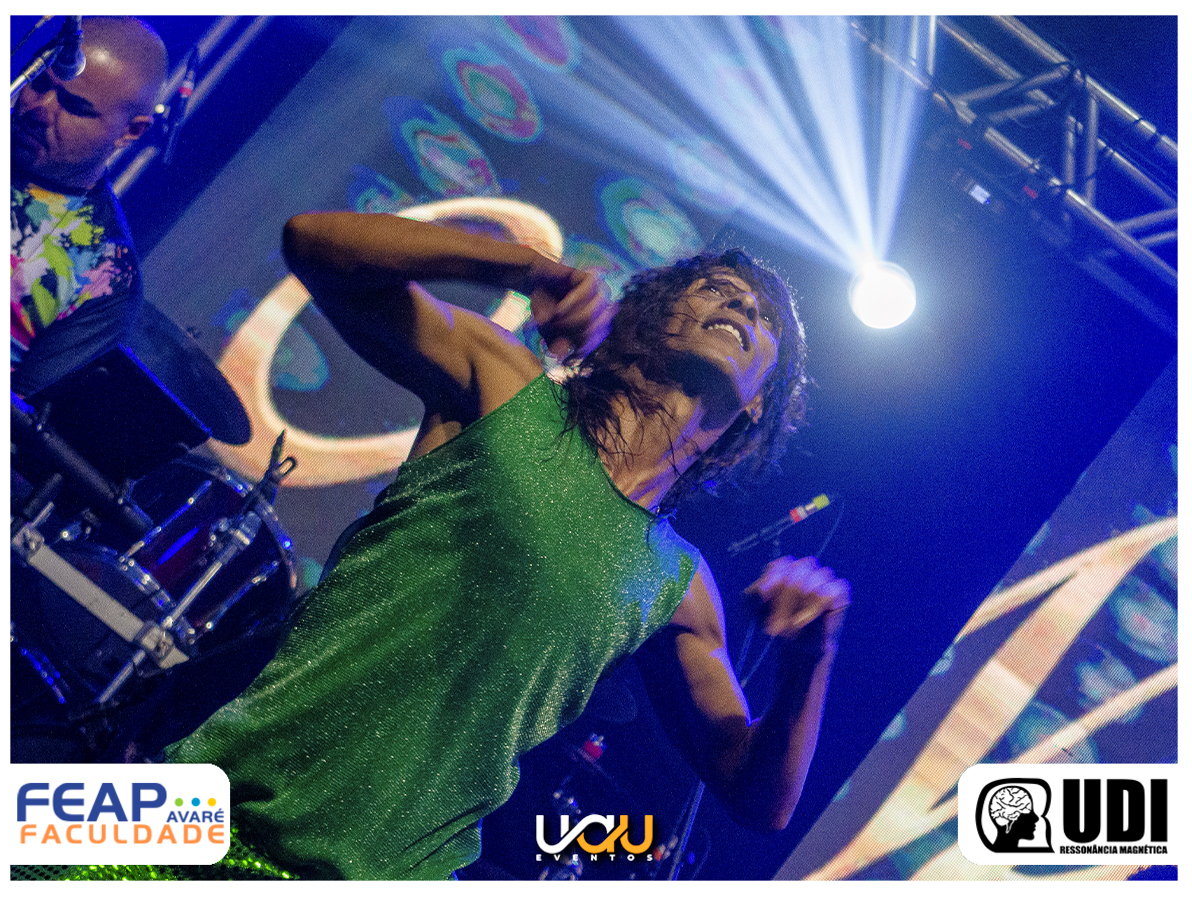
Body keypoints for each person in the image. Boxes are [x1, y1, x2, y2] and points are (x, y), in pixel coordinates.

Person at [74, 211, 851, 880]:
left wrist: (810, 659)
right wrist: (521, 265)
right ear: (648, 315)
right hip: (188, 808)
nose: (741, 303)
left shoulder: (678, 585)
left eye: (764, 318)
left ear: (758, 406)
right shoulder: (506, 386)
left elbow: (761, 800)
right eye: (715, 287)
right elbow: (313, 242)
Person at [10, 16, 168, 397]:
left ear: (131, 131)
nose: (40, 108)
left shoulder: (106, 272)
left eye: (74, 106)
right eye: (40, 82)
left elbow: (21, 417)